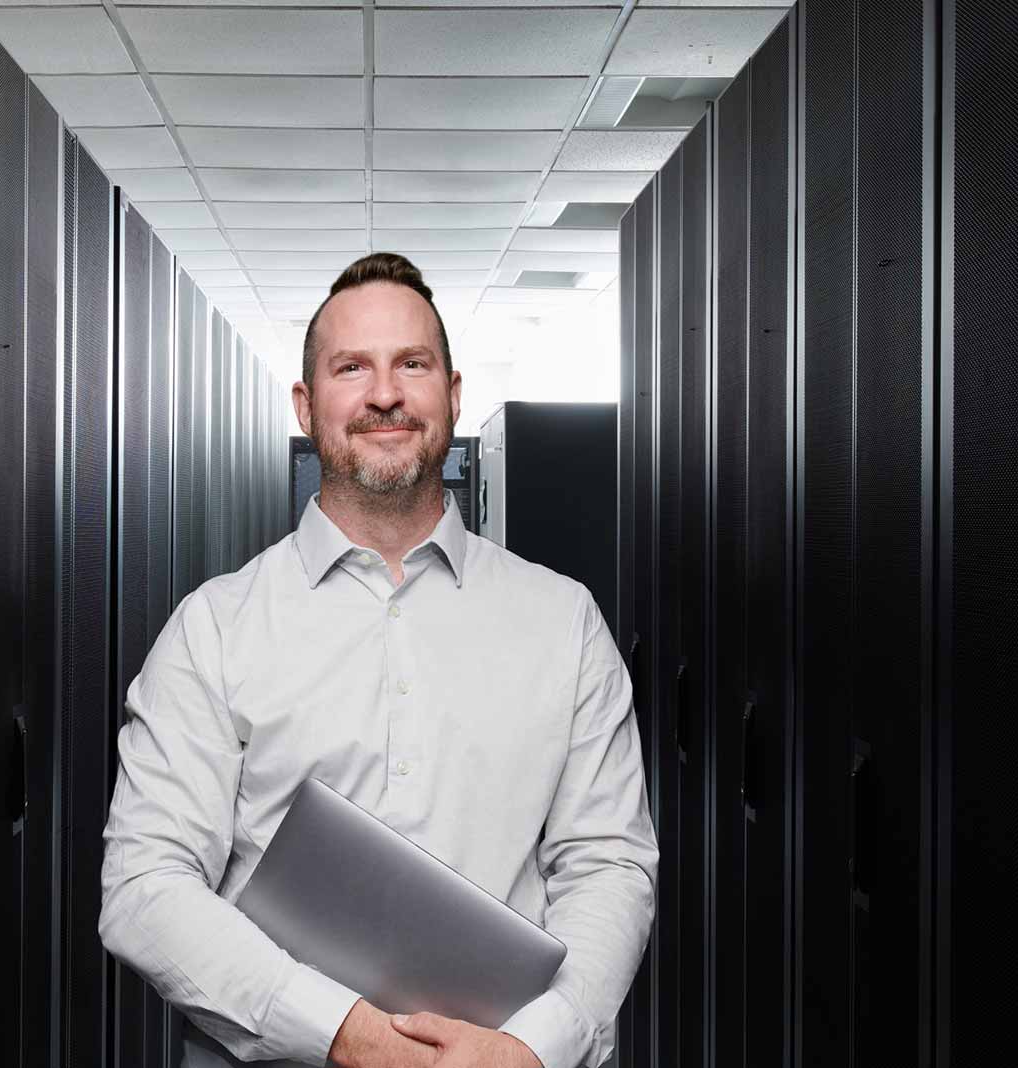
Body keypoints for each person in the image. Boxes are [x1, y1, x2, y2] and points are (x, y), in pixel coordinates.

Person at [98, 253, 658, 1068]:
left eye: (412, 364)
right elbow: (146, 889)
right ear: (306, 402)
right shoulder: (214, 630)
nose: (385, 393)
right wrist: (345, 1034)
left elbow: (608, 864)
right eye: (351, 367)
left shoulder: (563, 622)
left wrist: (531, 1048)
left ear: (453, 393)